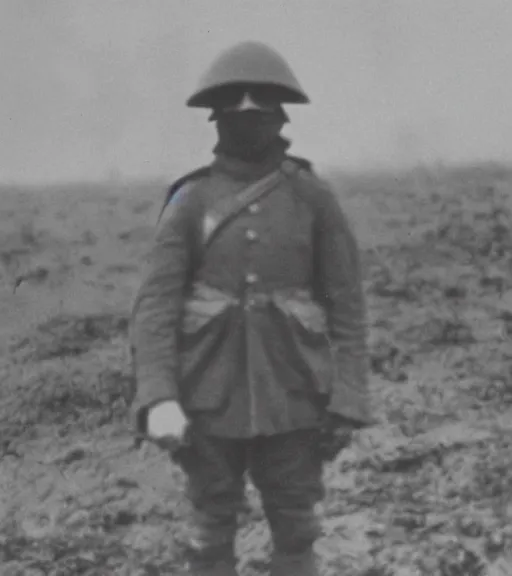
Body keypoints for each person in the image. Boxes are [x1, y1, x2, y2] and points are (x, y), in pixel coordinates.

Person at [130, 40, 372, 576]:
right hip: (205, 396)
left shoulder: (313, 197)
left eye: (259, 115)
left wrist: (348, 398)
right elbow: (155, 309)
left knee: (295, 529)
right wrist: (159, 398)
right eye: (234, 118)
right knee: (210, 532)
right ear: (215, 122)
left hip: (295, 395)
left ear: (281, 119)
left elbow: (347, 306)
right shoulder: (190, 202)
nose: (247, 128)